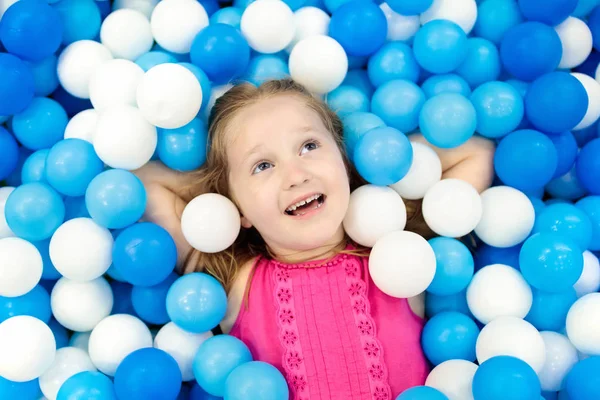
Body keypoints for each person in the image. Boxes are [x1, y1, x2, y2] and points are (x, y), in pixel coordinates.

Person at [133, 78, 495, 399]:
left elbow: (476, 153)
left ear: (343, 158)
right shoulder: (234, 280)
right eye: (262, 166)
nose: (296, 174)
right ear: (234, 209)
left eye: (309, 146)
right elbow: (144, 181)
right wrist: (220, 189)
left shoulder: (395, 258)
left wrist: (366, 161)